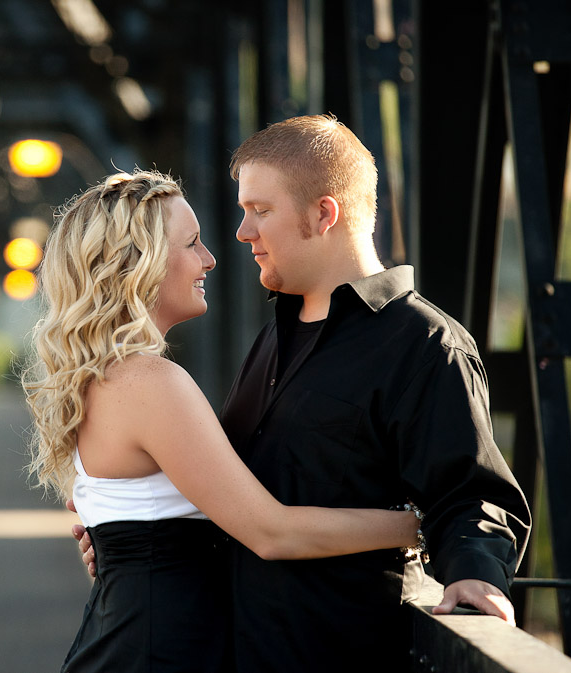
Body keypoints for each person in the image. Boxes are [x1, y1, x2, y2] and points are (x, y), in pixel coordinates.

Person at [73, 116, 532, 672]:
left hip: (342, 651)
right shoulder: (270, 341)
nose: (242, 233)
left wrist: (475, 575)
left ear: (323, 213)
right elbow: (239, 498)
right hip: (243, 651)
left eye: (259, 211)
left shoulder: (423, 344)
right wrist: (138, 537)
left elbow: (474, 494)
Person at [23, 169, 422, 673]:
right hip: (155, 655)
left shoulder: (111, 378)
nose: (209, 259)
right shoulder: (148, 381)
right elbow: (271, 532)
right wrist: (419, 524)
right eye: (191, 244)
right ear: (135, 264)